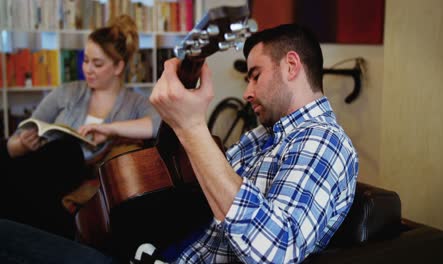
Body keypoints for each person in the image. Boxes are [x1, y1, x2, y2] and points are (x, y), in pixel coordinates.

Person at [0, 23, 357, 264]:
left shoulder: (322, 140)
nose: (247, 92)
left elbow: (277, 249)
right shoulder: (266, 134)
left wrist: (192, 127)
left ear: (291, 66)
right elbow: (199, 190)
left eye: (255, 76)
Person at [0, 14, 161, 239]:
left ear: (118, 67)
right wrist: (20, 144)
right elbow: (23, 132)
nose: (88, 69)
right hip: (41, 168)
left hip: (74, 172)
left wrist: (111, 129)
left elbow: (157, 125)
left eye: (97, 64)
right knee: (52, 151)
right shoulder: (68, 91)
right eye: (86, 60)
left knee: (68, 151)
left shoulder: (135, 103)